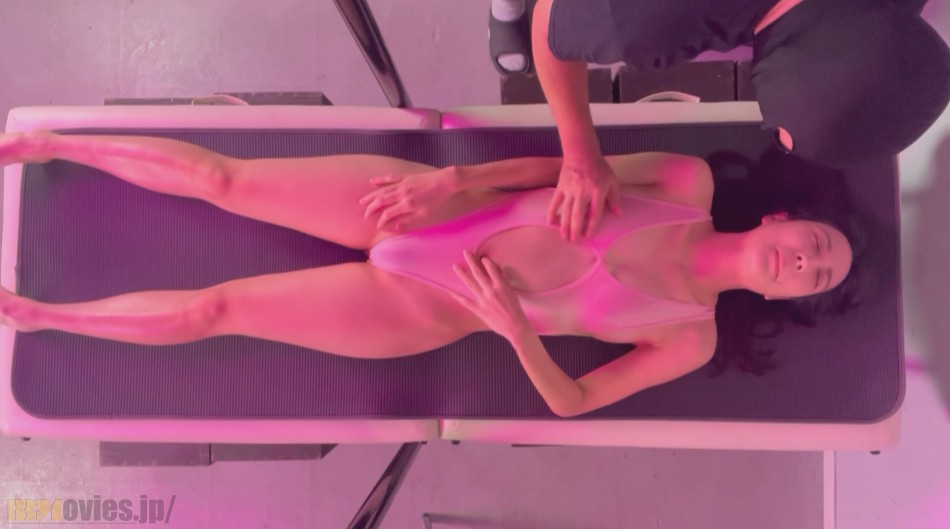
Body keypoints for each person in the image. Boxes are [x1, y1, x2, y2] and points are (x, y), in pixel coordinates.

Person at [0, 131, 856, 416]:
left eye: (813, 276)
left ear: (783, 295)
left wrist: (514, 328)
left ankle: (36, 315)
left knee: (214, 309)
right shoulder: (685, 182)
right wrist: (451, 180)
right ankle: (47, 145)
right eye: (815, 242)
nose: (804, 260)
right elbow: (562, 167)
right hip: (430, 209)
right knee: (226, 179)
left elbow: (573, 400)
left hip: (420, 308)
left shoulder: (687, 336)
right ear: (780, 218)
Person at [523, 0, 950, 240]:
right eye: (780, 128)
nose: (776, 132)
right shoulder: (644, 23)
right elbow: (545, 29)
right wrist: (580, 157)